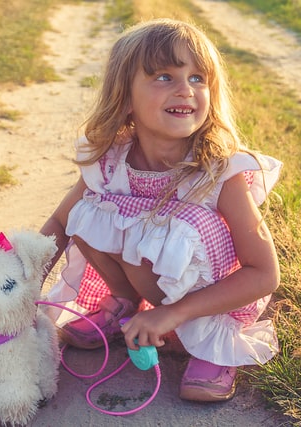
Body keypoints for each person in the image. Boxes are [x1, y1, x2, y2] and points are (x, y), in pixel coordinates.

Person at [40, 18, 282, 403]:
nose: (186, 89)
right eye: (164, 77)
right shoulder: (111, 160)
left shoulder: (219, 171)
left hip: (209, 300)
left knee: (186, 220)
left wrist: (171, 314)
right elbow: (60, 223)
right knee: (89, 209)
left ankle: (208, 345)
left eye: (198, 78)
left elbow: (265, 274)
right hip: (149, 283)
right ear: (125, 97)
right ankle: (127, 306)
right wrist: (21, 284)